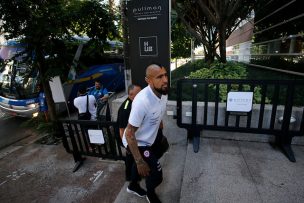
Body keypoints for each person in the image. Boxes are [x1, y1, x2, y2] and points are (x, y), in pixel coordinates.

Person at [122, 63, 169, 203]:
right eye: (159, 77)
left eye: (165, 75)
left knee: (160, 150)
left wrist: (159, 124)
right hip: (137, 142)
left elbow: (157, 112)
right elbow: (129, 134)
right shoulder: (142, 101)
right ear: (148, 80)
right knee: (156, 174)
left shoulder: (163, 91)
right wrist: (139, 161)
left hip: (149, 139)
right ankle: (150, 193)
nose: (165, 80)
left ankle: (133, 185)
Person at [117, 84, 142, 181]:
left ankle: (136, 175)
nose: (141, 95)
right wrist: (127, 146)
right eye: (138, 94)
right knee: (130, 158)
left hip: (132, 135)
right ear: (131, 95)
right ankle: (130, 178)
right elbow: (122, 130)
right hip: (126, 138)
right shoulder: (126, 109)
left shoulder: (136, 102)